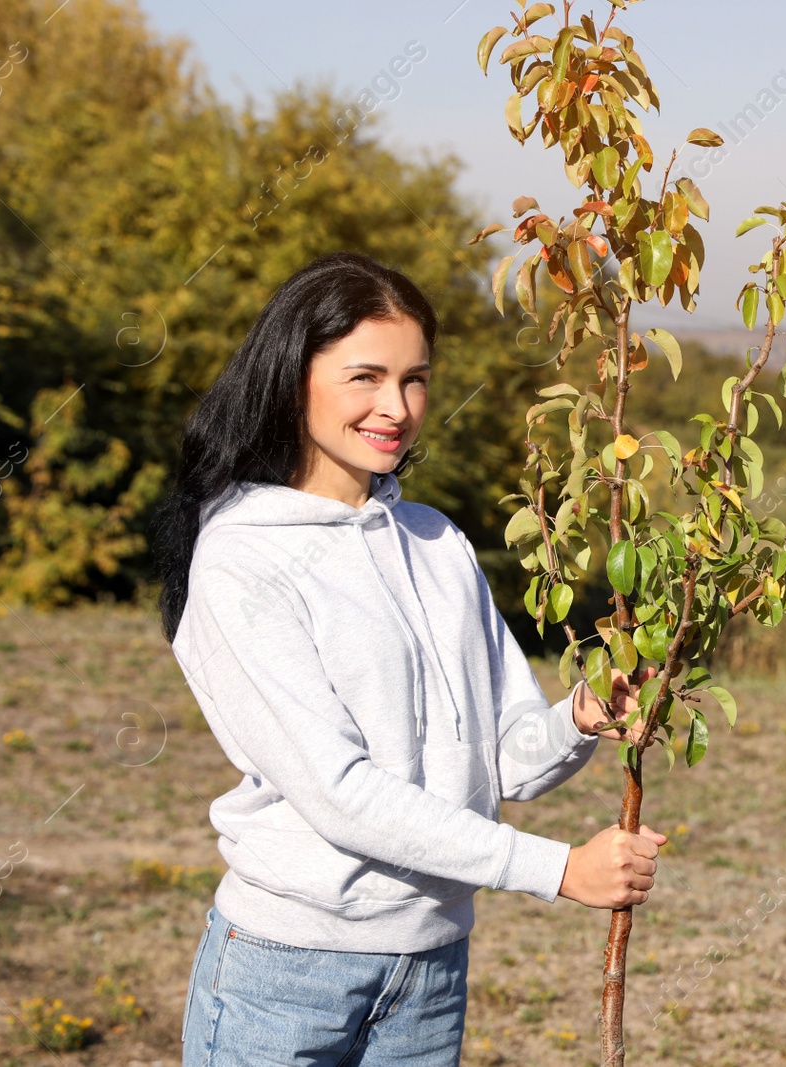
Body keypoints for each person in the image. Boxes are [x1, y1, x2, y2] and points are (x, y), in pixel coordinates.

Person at [155, 251, 665, 1066]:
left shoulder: (436, 540)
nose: (396, 407)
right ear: (294, 377)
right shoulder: (241, 558)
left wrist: (577, 719)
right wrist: (557, 868)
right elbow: (341, 793)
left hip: (429, 972)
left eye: (415, 379)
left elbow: (498, 760)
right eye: (365, 376)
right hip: (288, 973)